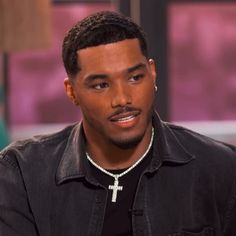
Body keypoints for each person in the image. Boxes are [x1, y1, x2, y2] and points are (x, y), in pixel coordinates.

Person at [0, 11, 236, 236]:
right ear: (72, 92)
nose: (122, 99)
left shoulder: (221, 168)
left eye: (135, 78)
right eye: (101, 85)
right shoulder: (22, 174)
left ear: (152, 73)